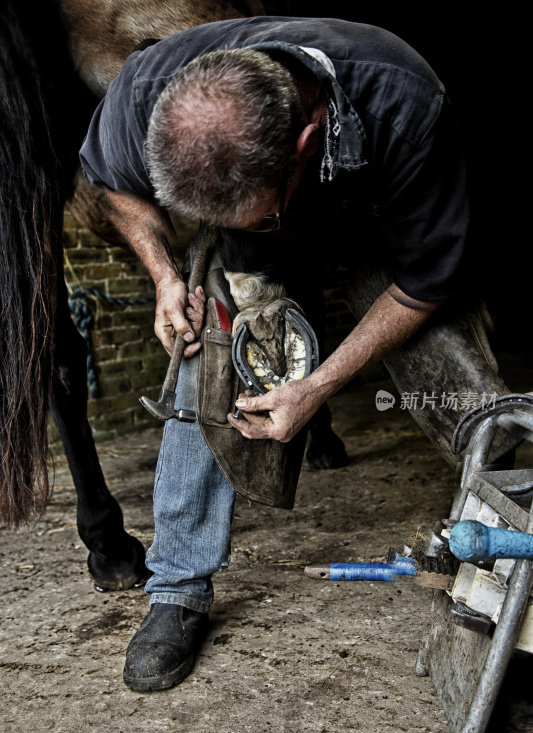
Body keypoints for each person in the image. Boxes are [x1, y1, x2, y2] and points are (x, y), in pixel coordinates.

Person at [79, 16, 507, 692]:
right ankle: (178, 590)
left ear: (307, 143)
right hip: (262, 242)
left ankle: (507, 553)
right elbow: (112, 185)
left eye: (247, 211)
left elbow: (425, 283)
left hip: (385, 236)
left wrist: (320, 385)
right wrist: (164, 272)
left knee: (464, 394)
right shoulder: (148, 88)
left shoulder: (403, 101)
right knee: (207, 358)